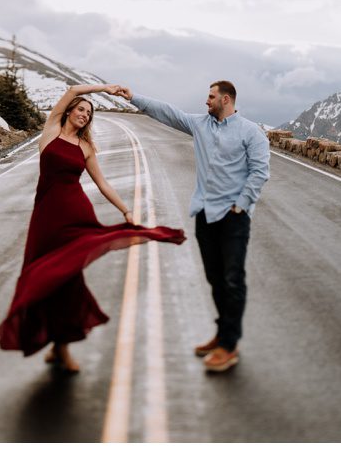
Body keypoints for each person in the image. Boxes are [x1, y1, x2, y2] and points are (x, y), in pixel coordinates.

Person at [0, 83, 185, 373]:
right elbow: (73, 89)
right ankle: (50, 338)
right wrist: (105, 89)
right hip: (46, 217)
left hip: (75, 215)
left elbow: (102, 183)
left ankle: (61, 346)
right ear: (69, 111)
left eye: (89, 113)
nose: (85, 115)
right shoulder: (51, 132)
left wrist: (125, 209)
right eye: (81, 109)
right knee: (39, 276)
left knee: (68, 279)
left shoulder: (86, 147)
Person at [114, 80, 269, 373]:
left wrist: (241, 204)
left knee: (233, 279)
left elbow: (260, 172)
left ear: (226, 99)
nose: (206, 101)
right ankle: (222, 334)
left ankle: (229, 345)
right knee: (215, 278)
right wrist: (134, 97)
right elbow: (168, 113)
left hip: (234, 217)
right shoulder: (201, 125)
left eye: (210, 97)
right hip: (205, 215)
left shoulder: (251, 132)